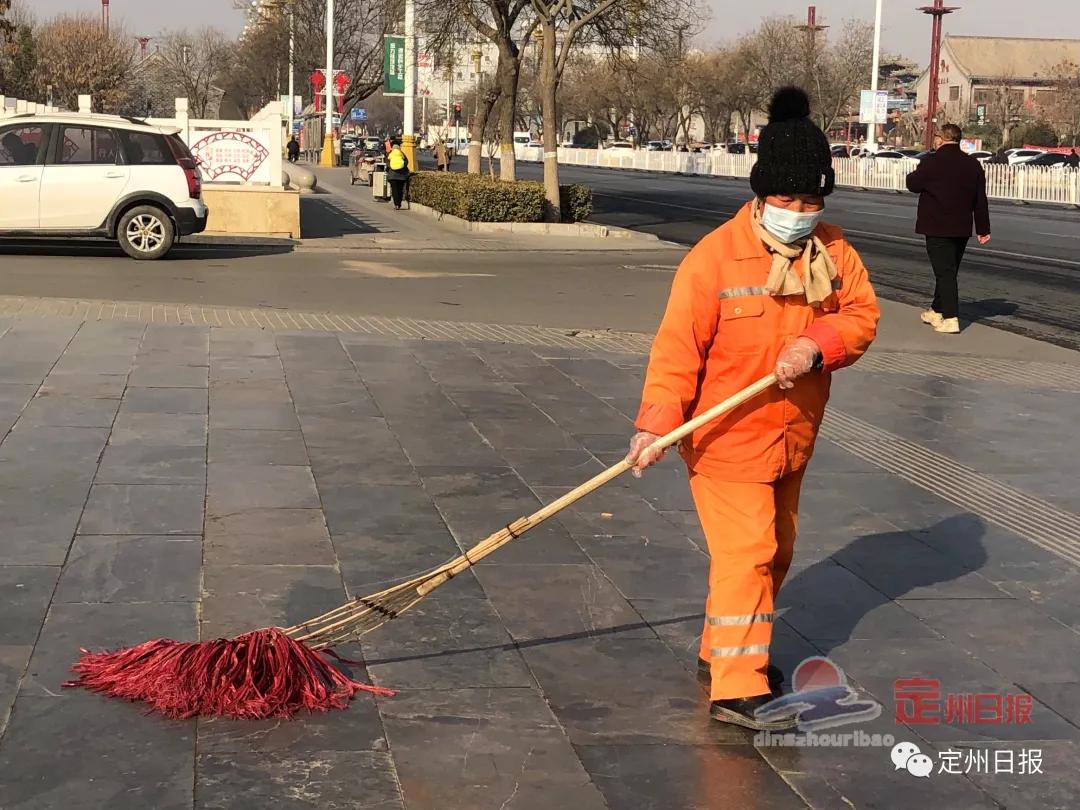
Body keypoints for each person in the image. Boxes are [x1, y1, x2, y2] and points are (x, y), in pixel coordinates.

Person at [626, 87, 879, 731]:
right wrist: (656, 425)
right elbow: (676, 349)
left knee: (779, 548)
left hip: (794, 433)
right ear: (762, 195)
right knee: (749, 550)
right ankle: (739, 686)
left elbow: (861, 318)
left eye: (811, 201)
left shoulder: (834, 250)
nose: (800, 213)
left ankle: (723, 648)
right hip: (724, 437)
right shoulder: (713, 259)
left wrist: (815, 345)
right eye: (788, 200)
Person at [905, 123, 991, 335]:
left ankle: (951, 317)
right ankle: (936, 309)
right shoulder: (972, 165)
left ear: (940, 139)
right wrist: (983, 228)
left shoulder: (931, 162)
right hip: (961, 226)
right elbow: (980, 200)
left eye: (935, 136)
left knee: (945, 273)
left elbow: (912, 184)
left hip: (936, 225)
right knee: (948, 270)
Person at [385, 139, 410, 210]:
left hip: (392, 176)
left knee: (394, 190)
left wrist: (391, 168)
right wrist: (402, 167)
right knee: (400, 190)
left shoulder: (390, 153)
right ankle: (399, 203)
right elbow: (406, 162)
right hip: (401, 176)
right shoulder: (401, 153)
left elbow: (387, 163)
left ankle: (396, 204)